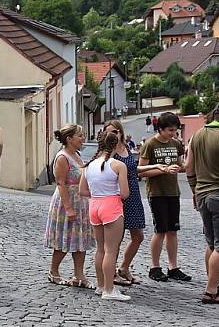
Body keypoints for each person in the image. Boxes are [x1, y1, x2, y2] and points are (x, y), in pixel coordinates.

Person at [103, 121, 167, 285]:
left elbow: (133, 169)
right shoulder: (107, 151)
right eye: (110, 132)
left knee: (138, 236)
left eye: (116, 131)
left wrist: (157, 167)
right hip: (117, 195)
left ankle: (124, 268)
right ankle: (112, 272)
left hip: (133, 195)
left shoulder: (125, 148)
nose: (114, 135)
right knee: (116, 239)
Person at [186, 100, 219, 304]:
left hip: (203, 194)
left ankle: (215, 284)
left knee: (212, 243)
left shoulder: (197, 135)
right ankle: (211, 290)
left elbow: (189, 167)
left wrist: (194, 191)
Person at [138, 112, 191, 283]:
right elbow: (142, 170)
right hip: (157, 193)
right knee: (160, 230)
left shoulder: (176, 143)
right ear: (160, 129)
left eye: (175, 130)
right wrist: (163, 170)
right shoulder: (150, 144)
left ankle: (173, 267)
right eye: (169, 130)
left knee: (173, 231)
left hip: (173, 191)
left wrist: (183, 167)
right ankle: (155, 267)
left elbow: (181, 166)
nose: (172, 134)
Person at [80, 131, 131, 301]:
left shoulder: (88, 165)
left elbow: (82, 191)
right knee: (111, 250)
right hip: (111, 206)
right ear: (116, 145)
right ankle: (109, 289)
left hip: (94, 205)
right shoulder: (118, 165)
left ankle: (101, 285)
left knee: (100, 249)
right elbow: (124, 193)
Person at [45, 124, 93, 288]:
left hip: (80, 201)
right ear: (69, 139)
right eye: (80, 135)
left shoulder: (77, 154)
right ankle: (54, 271)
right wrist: (69, 208)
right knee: (64, 238)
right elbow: (61, 183)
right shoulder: (62, 157)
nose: (83, 138)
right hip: (67, 201)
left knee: (80, 240)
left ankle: (79, 275)